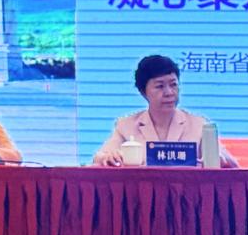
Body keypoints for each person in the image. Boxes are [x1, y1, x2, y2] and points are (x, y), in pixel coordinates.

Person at [92, 54, 237, 167]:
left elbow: (230, 162)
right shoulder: (126, 125)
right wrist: (108, 157)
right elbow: (100, 157)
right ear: (143, 92)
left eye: (173, 85)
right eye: (160, 86)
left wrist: (217, 159)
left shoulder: (199, 125)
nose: (169, 92)